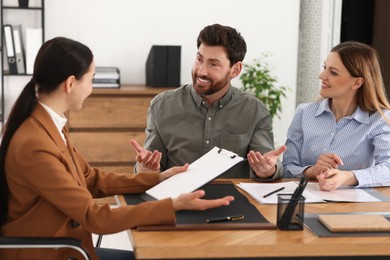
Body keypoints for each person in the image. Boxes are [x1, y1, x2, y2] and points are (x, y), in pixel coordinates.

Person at [0, 37, 235, 260]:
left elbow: (90, 179)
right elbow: (95, 217)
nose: (92, 88)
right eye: (91, 79)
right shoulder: (34, 144)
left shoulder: (49, 123)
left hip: (67, 246)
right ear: (71, 83)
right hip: (49, 253)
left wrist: (157, 178)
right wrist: (172, 205)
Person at [131, 23, 286, 179]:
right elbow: (150, 167)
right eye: (199, 59)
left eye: (213, 64)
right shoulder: (162, 105)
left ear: (235, 70)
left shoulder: (255, 110)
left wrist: (266, 170)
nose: (201, 71)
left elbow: (266, 162)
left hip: (232, 199)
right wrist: (146, 168)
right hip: (177, 199)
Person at [283, 41, 390, 191]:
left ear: (357, 83)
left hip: (354, 208)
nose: (322, 76)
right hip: (304, 201)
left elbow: (388, 169)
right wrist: (312, 171)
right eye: (325, 68)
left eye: (333, 72)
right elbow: (287, 167)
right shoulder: (304, 113)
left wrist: (348, 177)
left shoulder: (380, 120)